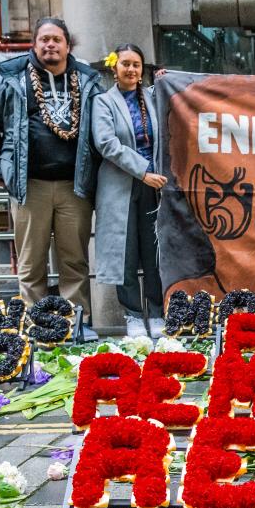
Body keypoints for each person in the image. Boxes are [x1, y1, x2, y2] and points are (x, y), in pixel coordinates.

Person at [0, 17, 102, 340]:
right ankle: (37, 327)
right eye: (43, 39)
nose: (50, 45)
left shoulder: (88, 81)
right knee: (31, 264)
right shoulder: (11, 80)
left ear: (67, 45)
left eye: (56, 39)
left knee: (75, 261)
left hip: (75, 187)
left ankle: (75, 326)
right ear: (34, 44)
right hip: (29, 186)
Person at [91, 44, 167, 338]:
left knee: (153, 250)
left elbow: (177, 104)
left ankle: (158, 311)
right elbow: (106, 143)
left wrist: (165, 79)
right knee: (125, 252)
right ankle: (134, 314)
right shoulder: (103, 102)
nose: (131, 70)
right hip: (120, 185)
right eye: (126, 64)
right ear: (115, 68)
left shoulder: (152, 97)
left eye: (136, 64)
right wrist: (143, 170)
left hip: (154, 185)